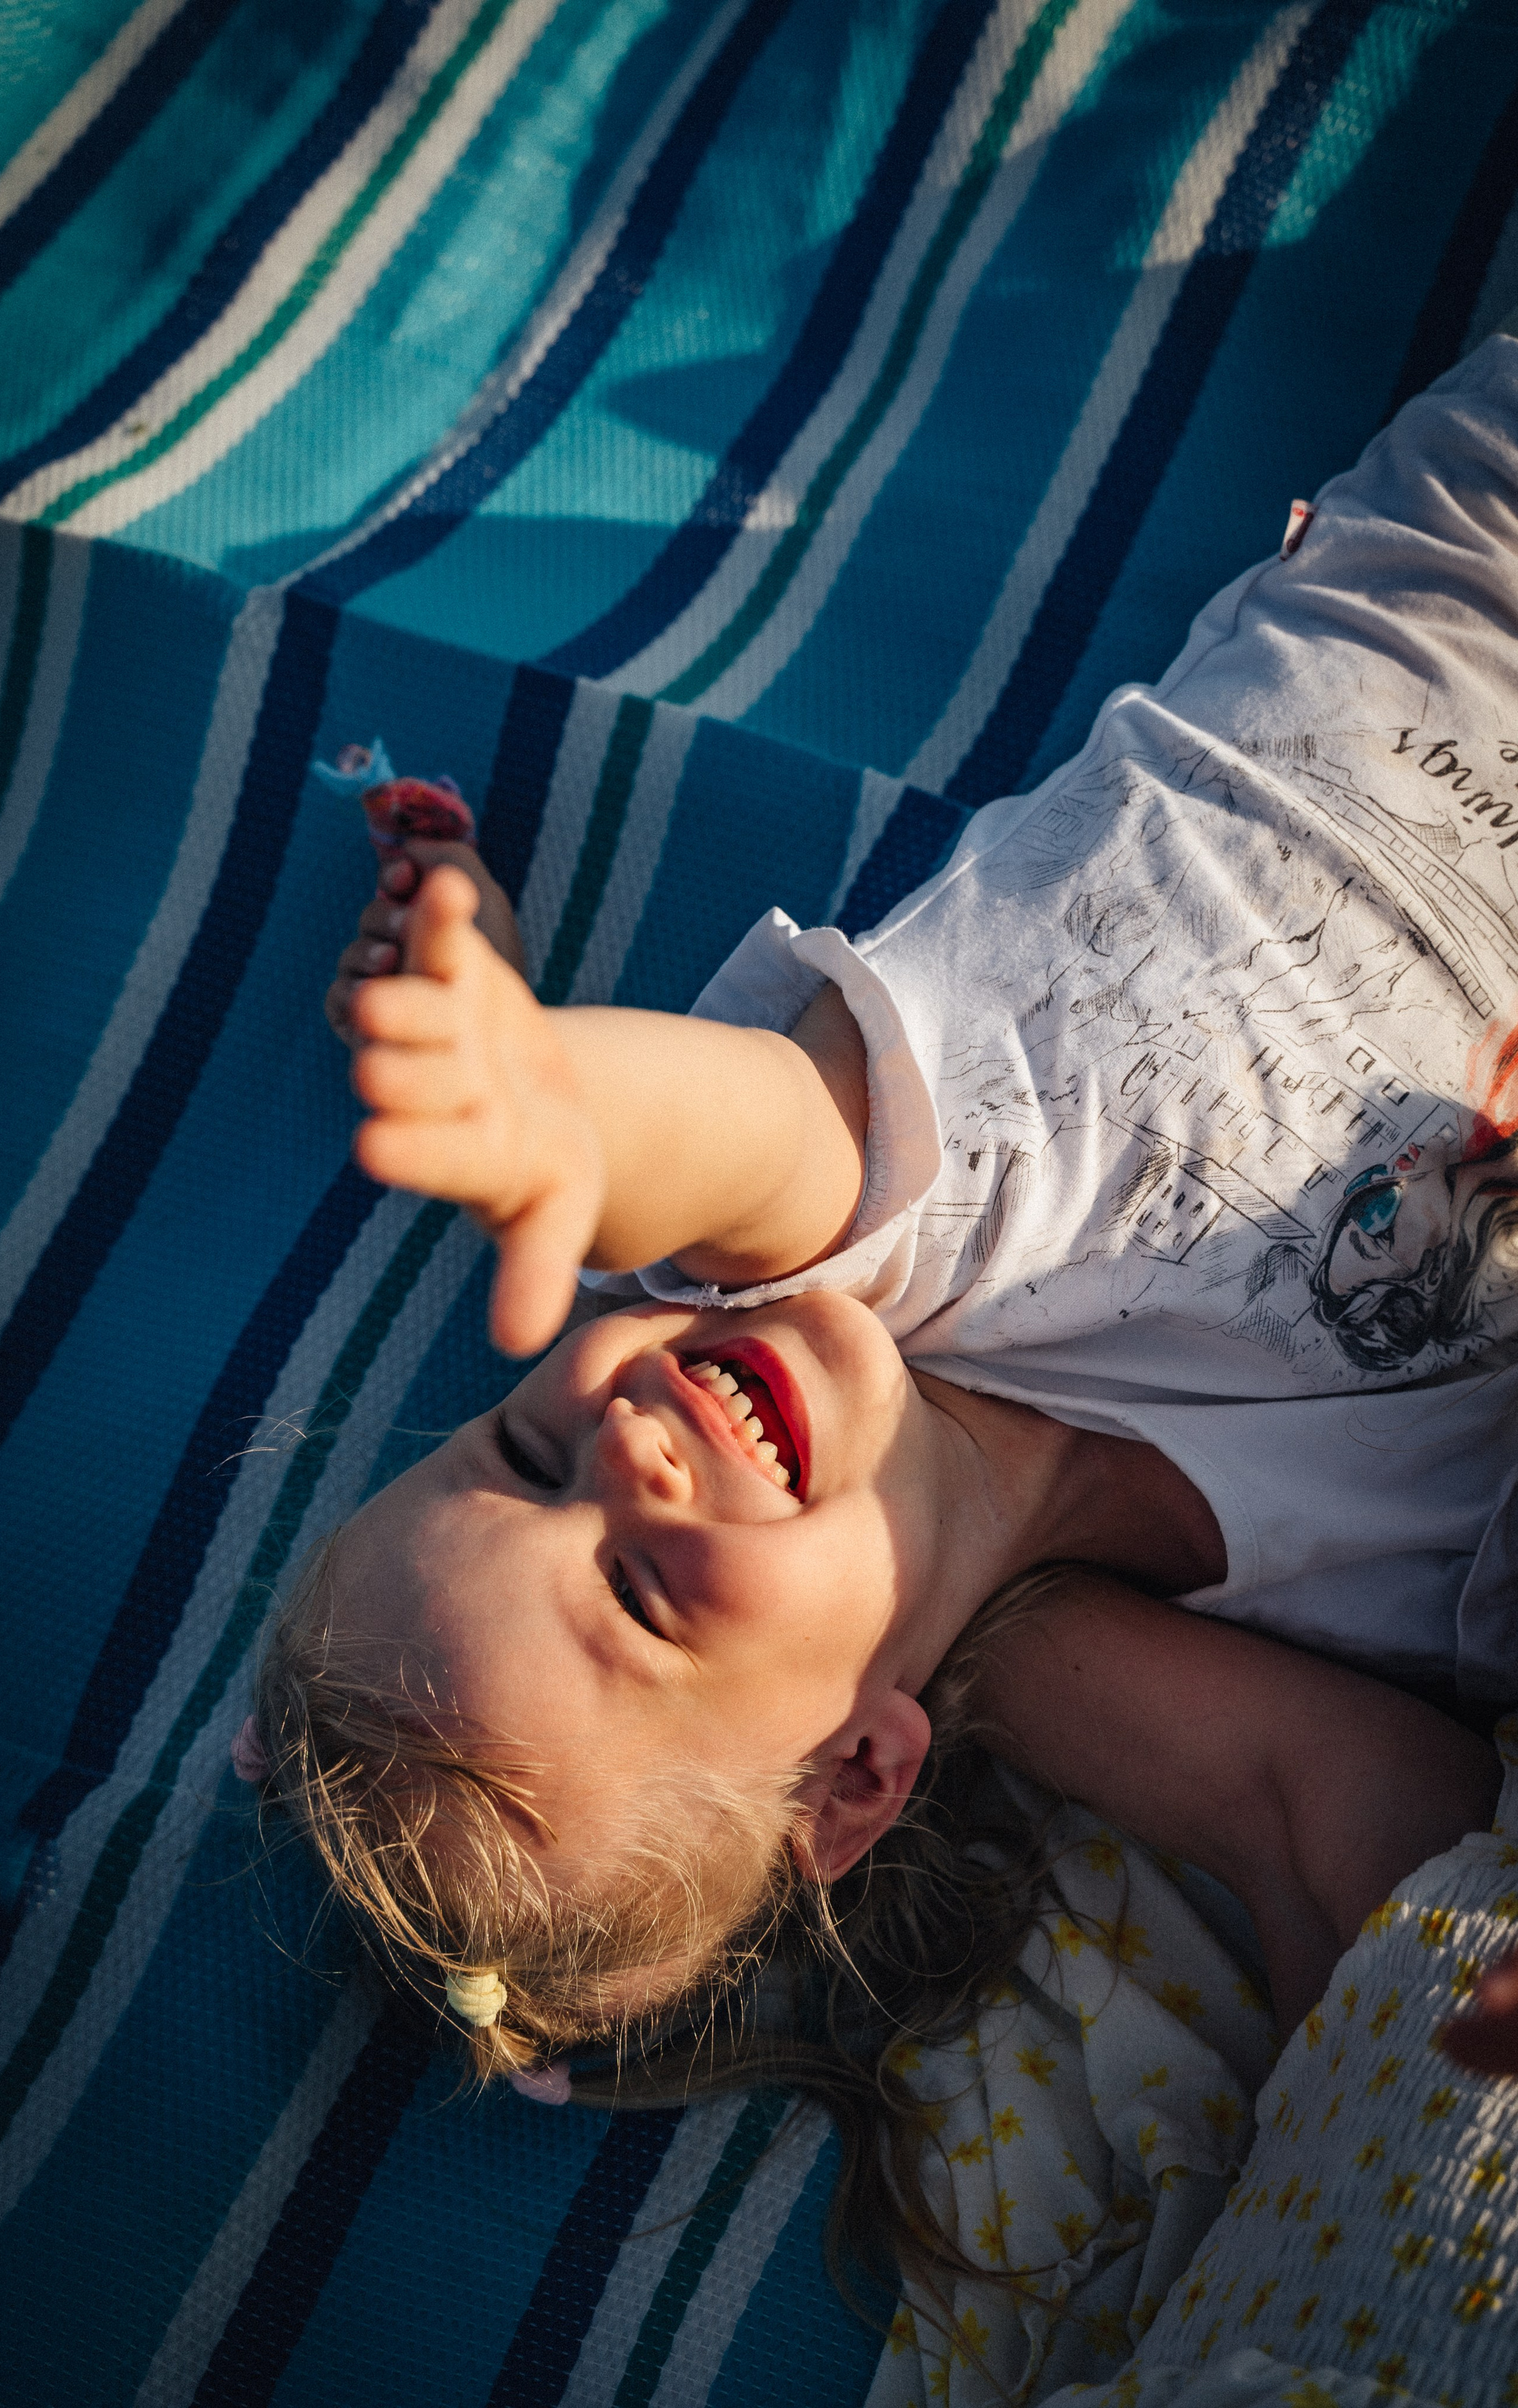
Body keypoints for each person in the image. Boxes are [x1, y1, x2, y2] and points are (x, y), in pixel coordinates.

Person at [247, 341, 1518, 2278]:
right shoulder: (1092, 1662)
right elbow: (1362, 1819)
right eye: (650, 1595)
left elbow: (748, 1136)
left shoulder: (855, 1232)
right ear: (857, 1774)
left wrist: (550, 1105)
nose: (632, 1441)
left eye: (525, 1448)